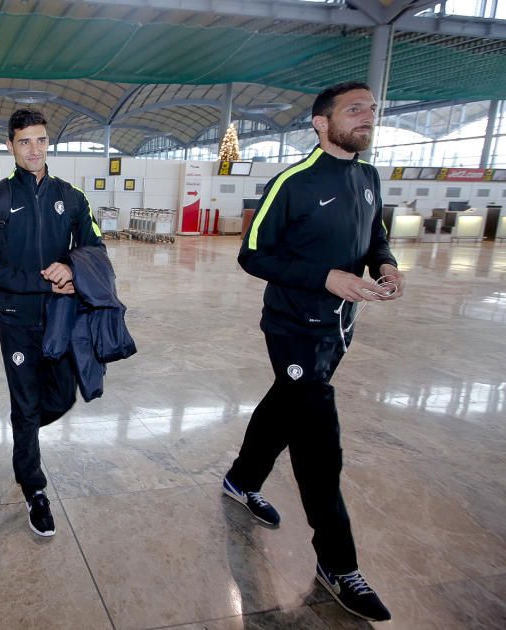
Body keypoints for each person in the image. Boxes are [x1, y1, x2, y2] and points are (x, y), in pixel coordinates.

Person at [222, 82, 404, 622]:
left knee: (285, 406)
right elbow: (252, 255)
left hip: (340, 327)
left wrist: (386, 264)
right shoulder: (293, 183)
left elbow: (375, 235)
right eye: (355, 110)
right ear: (321, 123)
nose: (367, 117)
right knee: (320, 443)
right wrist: (323, 277)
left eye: (372, 109)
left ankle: (241, 480)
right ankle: (338, 564)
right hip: (293, 327)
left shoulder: (368, 177)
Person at [0, 108, 103, 537]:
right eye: (25, 141)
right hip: (15, 319)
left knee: (63, 395)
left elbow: (95, 246)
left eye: (41, 140)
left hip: (62, 318)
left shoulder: (72, 196)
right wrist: (44, 283)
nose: (34, 149)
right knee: (26, 404)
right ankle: (34, 487)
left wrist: (70, 266)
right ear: (10, 145)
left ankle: (22, 427)